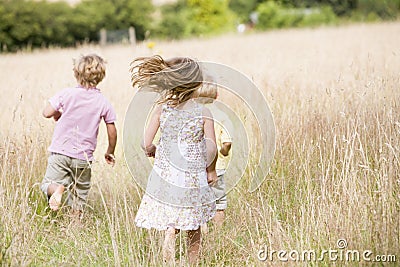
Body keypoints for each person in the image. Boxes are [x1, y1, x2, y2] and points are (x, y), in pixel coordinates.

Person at [130, 55, 217, 265]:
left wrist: (151, 149)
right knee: (193, 224)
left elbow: (146, 142)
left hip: (166, 175)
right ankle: (193, 262)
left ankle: (167, 258)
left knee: (171, 224)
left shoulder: (162, 110)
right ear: (196, 83)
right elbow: (211, 147)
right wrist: (211, 171)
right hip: (192, 178)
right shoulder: (203, 112)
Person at [40, 54, 117, 219]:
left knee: (48, 183)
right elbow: (111, 129)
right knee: (79, 194)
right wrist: (109, 151)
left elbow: (46, 112)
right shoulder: (103, 101)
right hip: (83, 157)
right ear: (101, 76)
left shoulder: (67, 94)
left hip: (60, 153)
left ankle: (56, 189)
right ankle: (76, 224)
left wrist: (58, 113)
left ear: (76, 73)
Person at [194, 79, 232, 229]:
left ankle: (203, 232)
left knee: (200, 202)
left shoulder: (194, 115)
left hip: (197, 166)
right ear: (216, 95)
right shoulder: (223, 116)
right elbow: (227, 142)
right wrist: (223, 152)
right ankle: (218, 233)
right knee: (218, 203)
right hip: (218, 167)